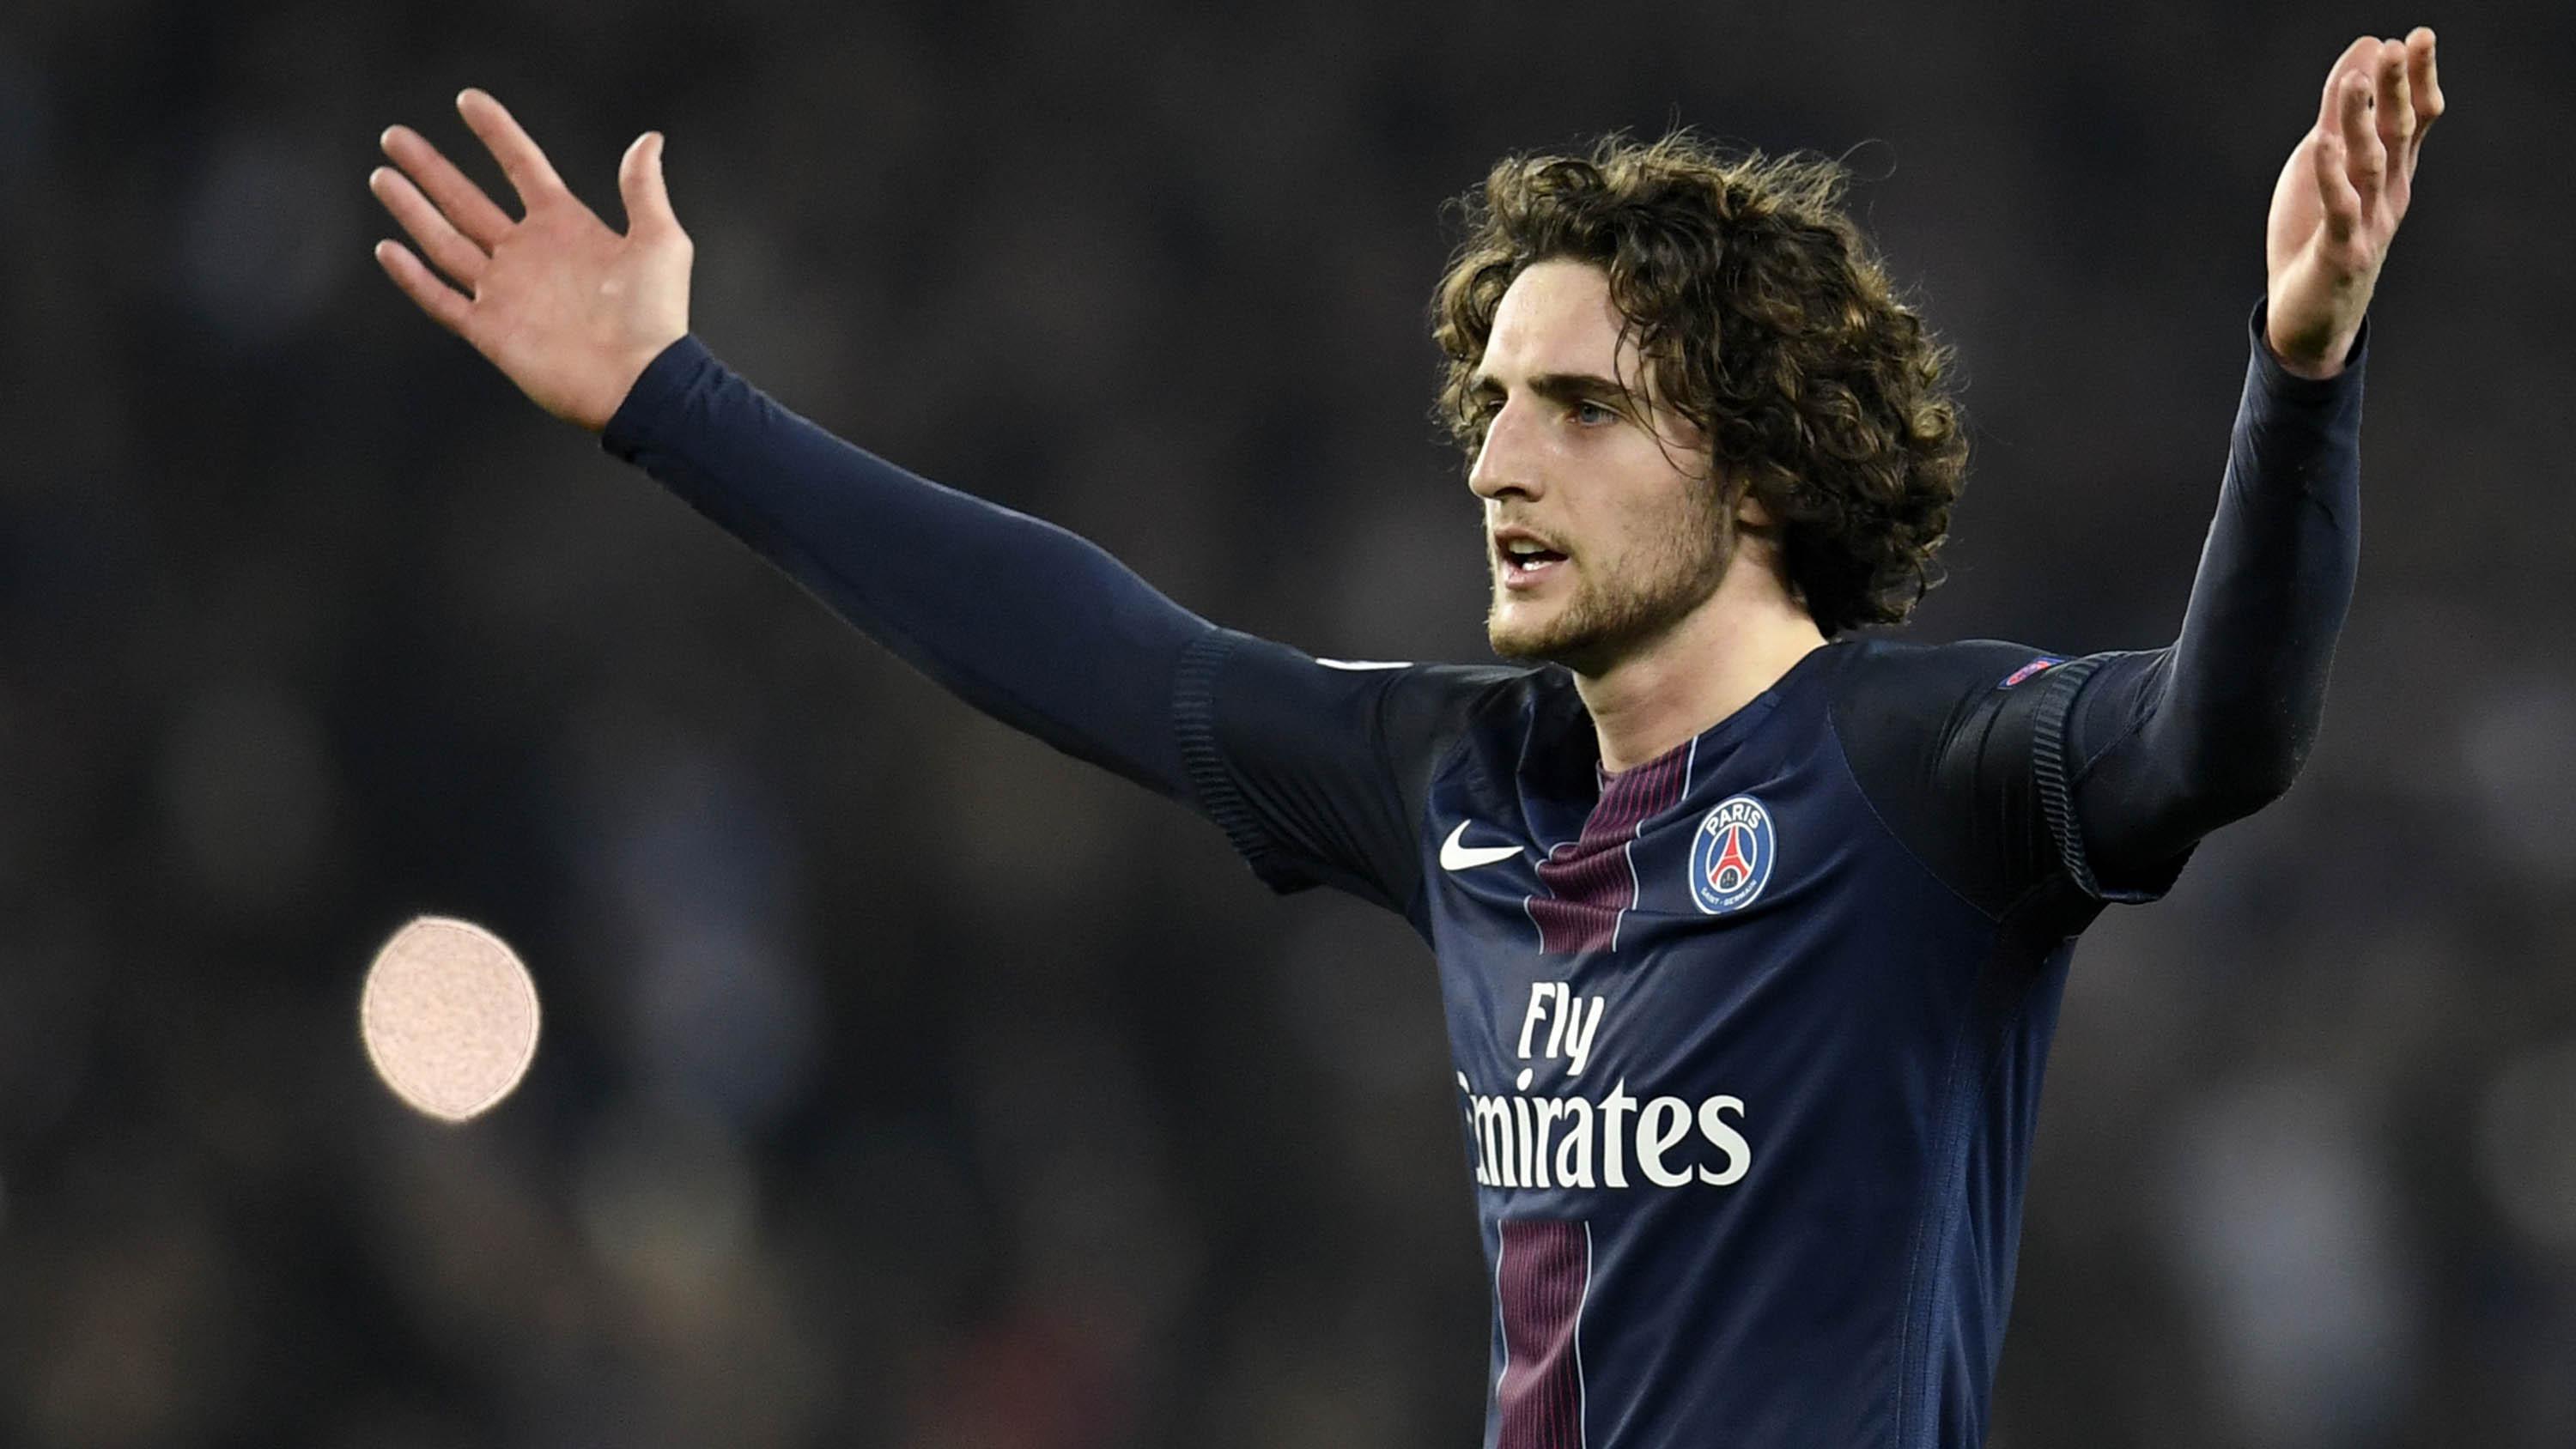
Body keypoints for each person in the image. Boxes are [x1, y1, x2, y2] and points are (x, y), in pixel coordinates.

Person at [368, 28, 2442, 1448]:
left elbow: (2219, 736)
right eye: (1496, 404)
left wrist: (2301, 371)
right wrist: (673, 397)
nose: (1502, 461)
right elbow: (1095, 650)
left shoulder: (1921, 766)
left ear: (1761, 470)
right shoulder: (1468, 781)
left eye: (1583, 408)